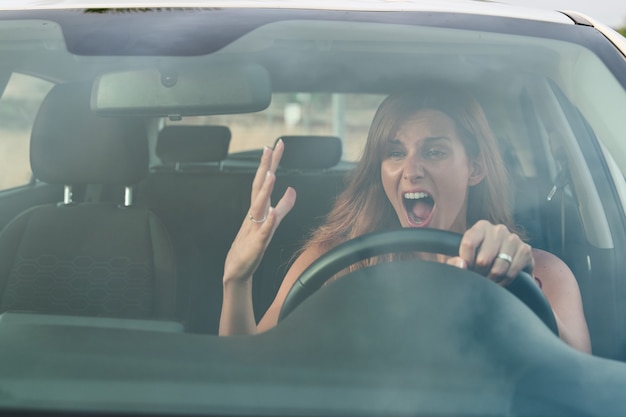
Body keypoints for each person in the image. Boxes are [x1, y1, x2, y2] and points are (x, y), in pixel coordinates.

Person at [219, 83, 591, 353]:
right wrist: (236, 279)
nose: (411, 170)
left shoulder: (544, 274)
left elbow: (582, 389)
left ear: (474, 168)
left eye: (434, 151)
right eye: (395, 152)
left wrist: (517, 286)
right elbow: (244, 374)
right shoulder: (331, 264)